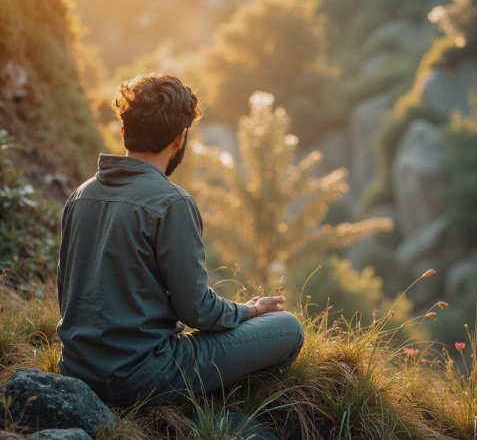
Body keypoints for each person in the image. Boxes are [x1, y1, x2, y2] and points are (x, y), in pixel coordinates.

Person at [56, 74, 304, 406]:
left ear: (124, 131)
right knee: (288, 328)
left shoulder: (81, 195)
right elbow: (198, 311)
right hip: (142, 376)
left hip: (76, 369)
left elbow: (67, 294)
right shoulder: (172, 203)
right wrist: (250, 309)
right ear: (180, 137)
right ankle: (218, 409)